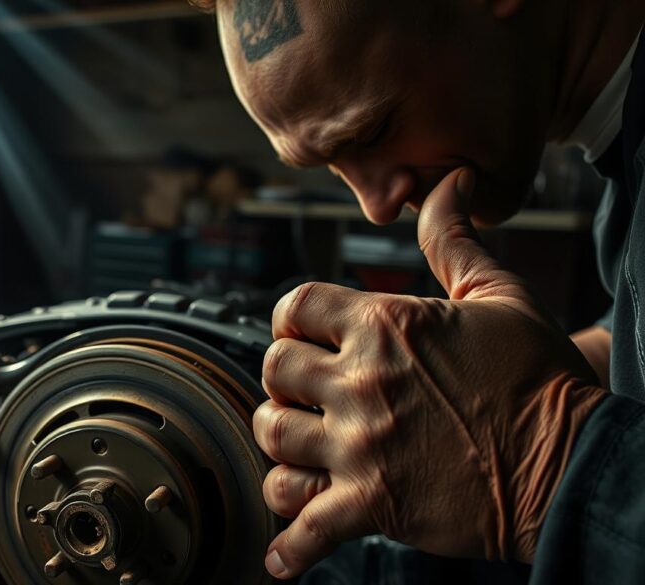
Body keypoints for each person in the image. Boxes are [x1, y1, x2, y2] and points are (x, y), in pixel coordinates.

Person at [191, 0, 645, 582]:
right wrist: (474, 399)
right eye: (332, 165)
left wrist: (541, 457)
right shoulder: (621, 154)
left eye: (374, 130)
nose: (376, 207)